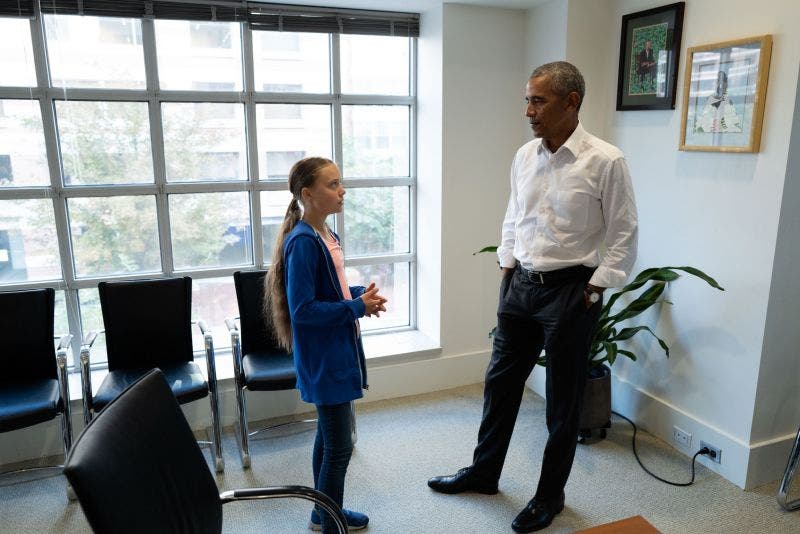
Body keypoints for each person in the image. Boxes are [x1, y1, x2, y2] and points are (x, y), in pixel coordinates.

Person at [427, 62, 638, 533]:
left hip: (572, 291)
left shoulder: (606, 161)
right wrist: (507, 266)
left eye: (538, 101)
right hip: (521, 285)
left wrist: (596, 286)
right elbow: (514, 215)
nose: (528, 111)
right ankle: (484, 473)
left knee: (562, 402)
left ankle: (549, 497)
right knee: (500, 385)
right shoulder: (525, 155)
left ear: (571, 102)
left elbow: (624, 232)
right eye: (527, 100)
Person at [266, 156, 387, 533]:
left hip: (338, 350)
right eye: (332, 184)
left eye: (340, 182)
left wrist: (357, 296)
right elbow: (303, 310)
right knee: (339, 446)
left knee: (328, 435)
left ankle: (323, 513)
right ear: (307, 194)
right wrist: (356, 307)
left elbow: (329, 289)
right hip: (324, 358)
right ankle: (332, 523)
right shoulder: (303, 242)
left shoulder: (327, 236)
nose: (342, 190)